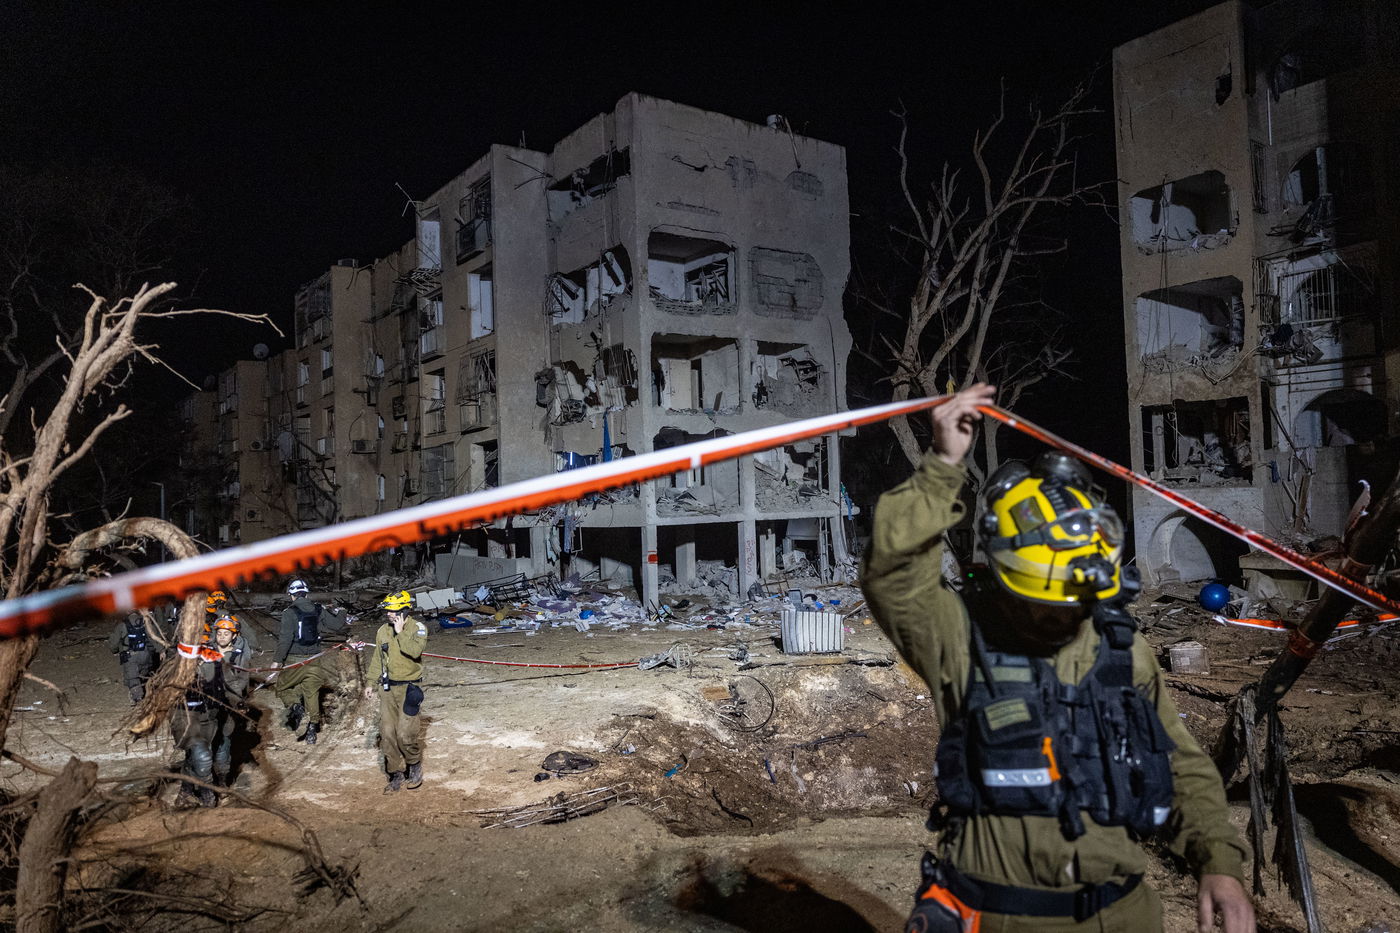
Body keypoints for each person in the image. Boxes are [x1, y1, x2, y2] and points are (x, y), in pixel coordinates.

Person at [861, 384, 1255, 933]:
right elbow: (892, 569)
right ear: (1000, 578)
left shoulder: (1122, 650)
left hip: (1123, 917)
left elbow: (1180, 763)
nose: (1058, 619)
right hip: (1000, 917)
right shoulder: (956, 640)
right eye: (1038, 604)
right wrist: (943, 463)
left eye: (1073, 604)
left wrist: (1218, 863)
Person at [172, 614, 250, 807]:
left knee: (218, 750)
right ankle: (204, 794)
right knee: (201, 757)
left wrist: (238, 702)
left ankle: (209, 786)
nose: (220, 637)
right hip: (191, 718)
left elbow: (233, 683)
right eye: (218, 633)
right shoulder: (180, 664)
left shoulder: (219, 660)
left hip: (215, 715)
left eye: (226, 633)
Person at [271, 578, 349, 745]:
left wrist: (277, 661)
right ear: (306, 593)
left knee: (282, 688)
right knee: (312, 692)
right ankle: (312, 729)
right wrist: (342, 611)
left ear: (291, 595)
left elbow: (285, 639)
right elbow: (336, 625)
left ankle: (294, 706)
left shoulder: (288, 612)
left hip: (294, 659)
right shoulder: (318, 609)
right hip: (314, 658)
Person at [363, 590, 427, 793]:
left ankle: (414, 765)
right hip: (388, 689)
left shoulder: (418, 628)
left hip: (410, 688)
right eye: (388, 610)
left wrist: (401, 633)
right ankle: (395, 773)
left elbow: (414, 651)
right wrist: (370, 683)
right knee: (387, 733)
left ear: (405, 610)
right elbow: (377, 659)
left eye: (394, 611)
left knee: (405, 734)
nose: (389, 614)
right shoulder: (382, 630)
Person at [108, 612, 157, 704]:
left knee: (132, 678)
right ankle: (148, 695)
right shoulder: (145, 622)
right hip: (145, 654)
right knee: (145, 675)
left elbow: (113, 643)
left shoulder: (122, 625)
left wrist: (115, 650)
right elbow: (153, 638)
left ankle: (138, 700)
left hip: (130, 656)